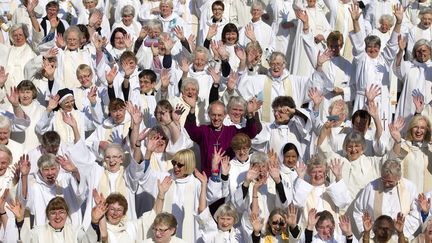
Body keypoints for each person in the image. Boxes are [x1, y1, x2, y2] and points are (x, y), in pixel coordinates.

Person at [349, 4, 404, 127]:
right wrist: (355, 21)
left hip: (382, 101)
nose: (373, 49)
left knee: (381, 133)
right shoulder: (362, 58)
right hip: (363, 101)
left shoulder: (384, 58)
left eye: (376, 47)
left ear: (380, 48)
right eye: (369, 47)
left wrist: (399, 22)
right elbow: (358, 41)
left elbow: (392, 44)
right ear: (366, 48)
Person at [184, 99, 261, 176]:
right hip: (208, 177)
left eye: (219, 115)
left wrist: (250, 114)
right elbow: (191, 130)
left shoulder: (232, 130)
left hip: (228, 176)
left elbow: (251, 133)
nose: (216, 118)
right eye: (213, 115)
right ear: (209, 114)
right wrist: (192, 109)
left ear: (225, 115)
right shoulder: (204, 130)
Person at [352, 159, 420, 239]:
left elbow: (416, 213)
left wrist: (401, 230)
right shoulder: (371, 188)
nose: (386, 184)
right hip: (376, 237)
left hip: (400, 236)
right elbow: (358, 210)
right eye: (383, 180)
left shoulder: (409, 187)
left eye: (390, 182)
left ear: (398, 178)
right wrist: (369, 232)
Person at [17, 152, 86, 227]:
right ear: (40, 171)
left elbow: (81, 192)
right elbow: (23, 201)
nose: (50, 173)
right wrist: (24, 176)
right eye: (46, 170)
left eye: (53, 169)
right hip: (46, 232)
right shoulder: (35, 186)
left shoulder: (67, 180)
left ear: (59, 169)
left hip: (70, 229)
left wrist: (75, 170)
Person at [293, 157, 351, 235]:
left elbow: (343, 202)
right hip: (310, 234)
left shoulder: (332, 189)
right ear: (309, 173)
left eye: (320, 171)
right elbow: (297, 203)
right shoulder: (305, 189)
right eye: (314, 172)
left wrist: (339, 176)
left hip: (330, 235)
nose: (317, 175)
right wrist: (300, 177)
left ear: (325, 173)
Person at [10, 196, 97, 242]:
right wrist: (20, 219)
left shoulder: (75, 230)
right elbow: (26, 240)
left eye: (61, 212)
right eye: (53, 213)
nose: (57, 216)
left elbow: (88, 241)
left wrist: (94, 221)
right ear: (48, 215)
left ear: (67, 214)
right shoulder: (39, 232)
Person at [391, 115, 432, 193]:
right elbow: (393, 163)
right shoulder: (405, 147)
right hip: (408, 195)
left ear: (427, 131)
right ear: (410, 129)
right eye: (416, 127)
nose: (418, 131)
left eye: (422, 128)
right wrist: (397, 141)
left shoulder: (429, 149)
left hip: (426, 197)